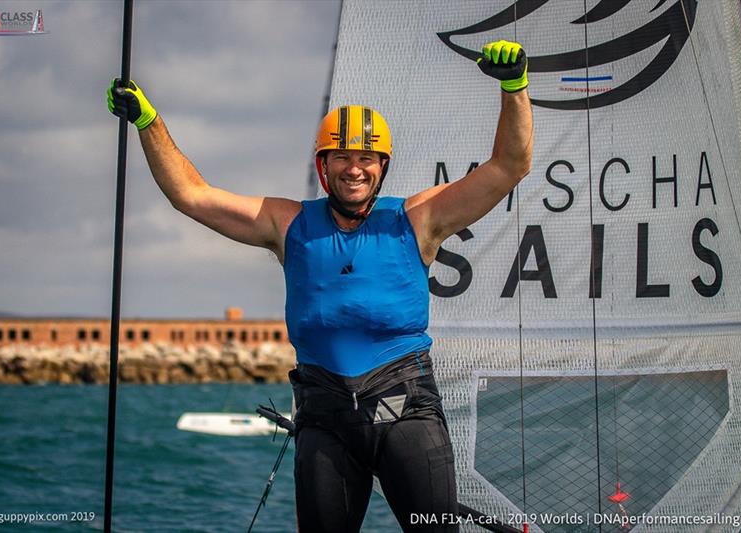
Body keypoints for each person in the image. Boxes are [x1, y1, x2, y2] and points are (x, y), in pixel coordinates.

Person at [108, 39, 532, 533]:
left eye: (367, 158)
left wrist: (514, 86)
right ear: (323, 166)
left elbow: (509, 166)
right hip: (324, 419)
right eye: (342, 157)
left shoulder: (419, 219)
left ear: (382, 167)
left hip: (407, 412)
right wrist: (148, 122)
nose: (355, 168)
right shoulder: (285, 223)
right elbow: (191, 195)